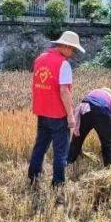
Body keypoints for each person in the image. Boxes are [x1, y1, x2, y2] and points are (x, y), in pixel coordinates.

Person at [27, 31, 84, 188]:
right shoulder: (63, 64)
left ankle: (33, 177)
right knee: (61, 152)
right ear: (65, 46)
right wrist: (71, 116)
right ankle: (58, 184)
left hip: (42, 111)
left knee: (40, 146)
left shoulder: (40, 59)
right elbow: (64, 91)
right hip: (58, 114)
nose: (73, 53)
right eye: (72, 49)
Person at [68, 87, 111, 167]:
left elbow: (83, 106)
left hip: (85, 108)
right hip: (102, 111)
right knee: (109, 145)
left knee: (76, 141)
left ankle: (66, 164)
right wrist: (110, 137)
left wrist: (76, 138)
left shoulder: (93, 92)